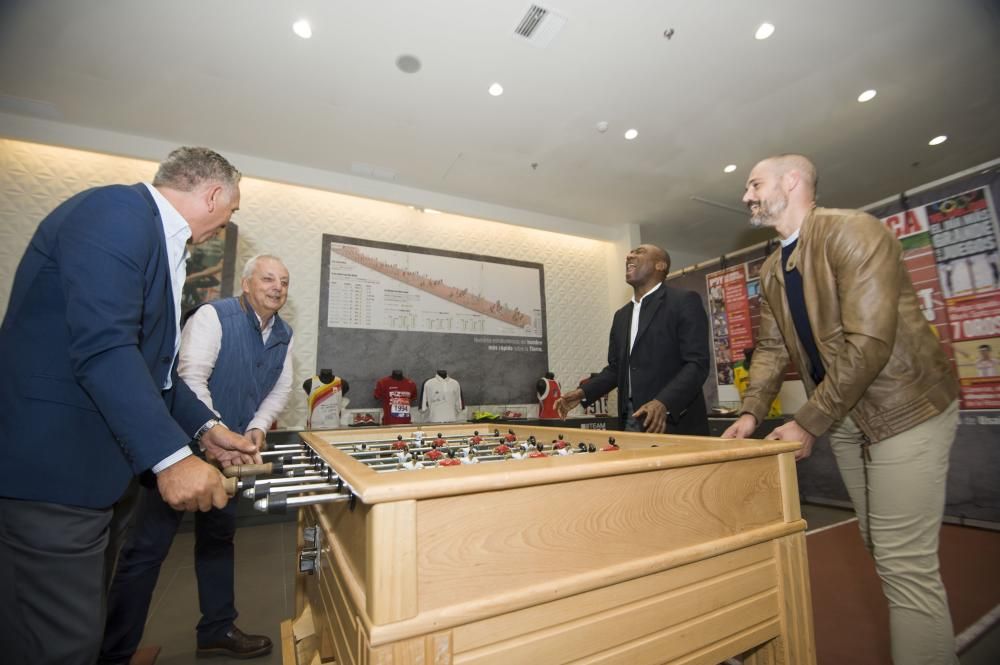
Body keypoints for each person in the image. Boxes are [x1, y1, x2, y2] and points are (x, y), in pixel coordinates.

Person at [0, 147, 260, 665]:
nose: (228, 222)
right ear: (213, 195)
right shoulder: (117, 212)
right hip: (54, 469)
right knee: (59, 643)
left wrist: (205, 429)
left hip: (94, 473)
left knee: (66, 625)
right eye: (232, 211)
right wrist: (172, 458)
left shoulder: (157, 240)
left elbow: (153, 372)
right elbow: (104, 349)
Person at [721, 154, 960, 665]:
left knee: (903, 562)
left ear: (792, 181)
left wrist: (807, 422)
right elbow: (770, 349)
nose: (746, 196)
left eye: (754, 183)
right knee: (879, 544)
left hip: (906, 406)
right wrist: (749, 413)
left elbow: (870, 342)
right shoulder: (770, 269)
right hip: (846, 414)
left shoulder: (854, 232)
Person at [100, 255, 294, 662]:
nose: (277, 287)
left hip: (232, 452)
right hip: (176, 449)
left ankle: (216, 628)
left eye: (284, 282)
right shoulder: (212, 316)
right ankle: (114, 652)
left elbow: (280, 387)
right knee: (146, 549)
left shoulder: (284, 333)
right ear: (246, 283)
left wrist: (256, 429)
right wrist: (213, 434)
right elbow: (189, 378)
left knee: (218, 539)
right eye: (268, 278)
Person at [555, 244, 710, 434]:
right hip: (630, 420)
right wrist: (584, 393)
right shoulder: (621, 315)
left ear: (660, 265)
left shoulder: (684, 301)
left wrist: (663, 402)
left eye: (639, 252)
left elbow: (696, 364)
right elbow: (616, 369)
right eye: (630, 253)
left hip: (673, 423)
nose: (629, 256)